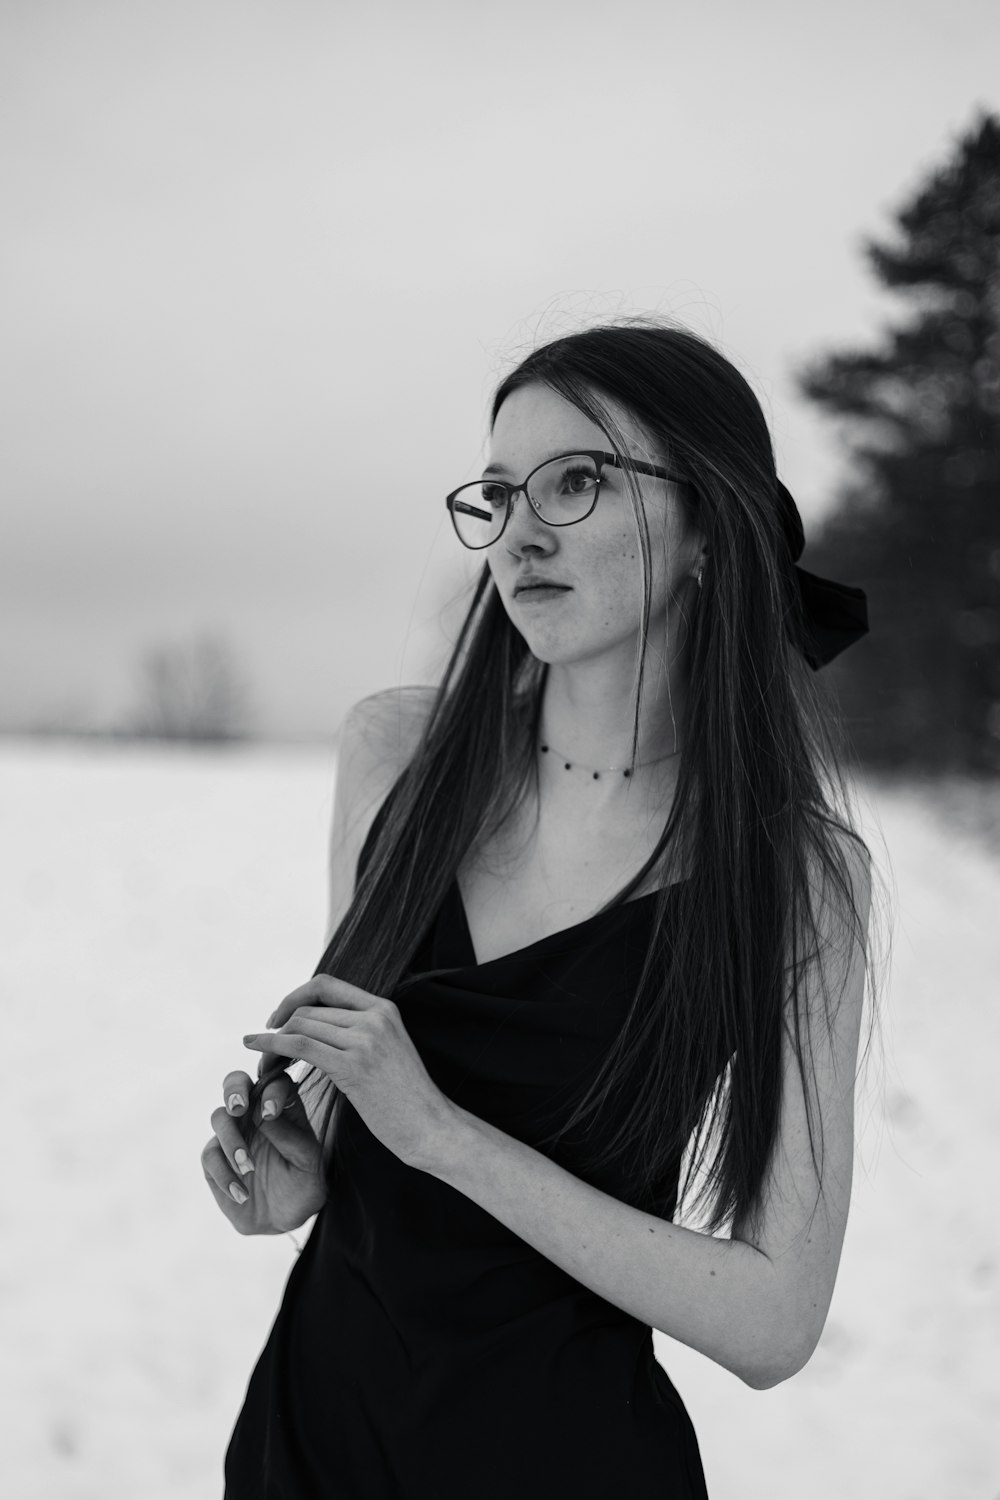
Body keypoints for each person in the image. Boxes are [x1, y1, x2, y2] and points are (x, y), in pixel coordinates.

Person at [203, 318, 879, 1499]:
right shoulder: (394, 757)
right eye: (500, 496)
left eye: (576, 482)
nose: (520, 534)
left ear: (710, 527)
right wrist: (310, 1178)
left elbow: (773, 1322)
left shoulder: (792, 875)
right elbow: (365, 1113)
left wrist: (442, 1138)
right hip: (310, 1444)